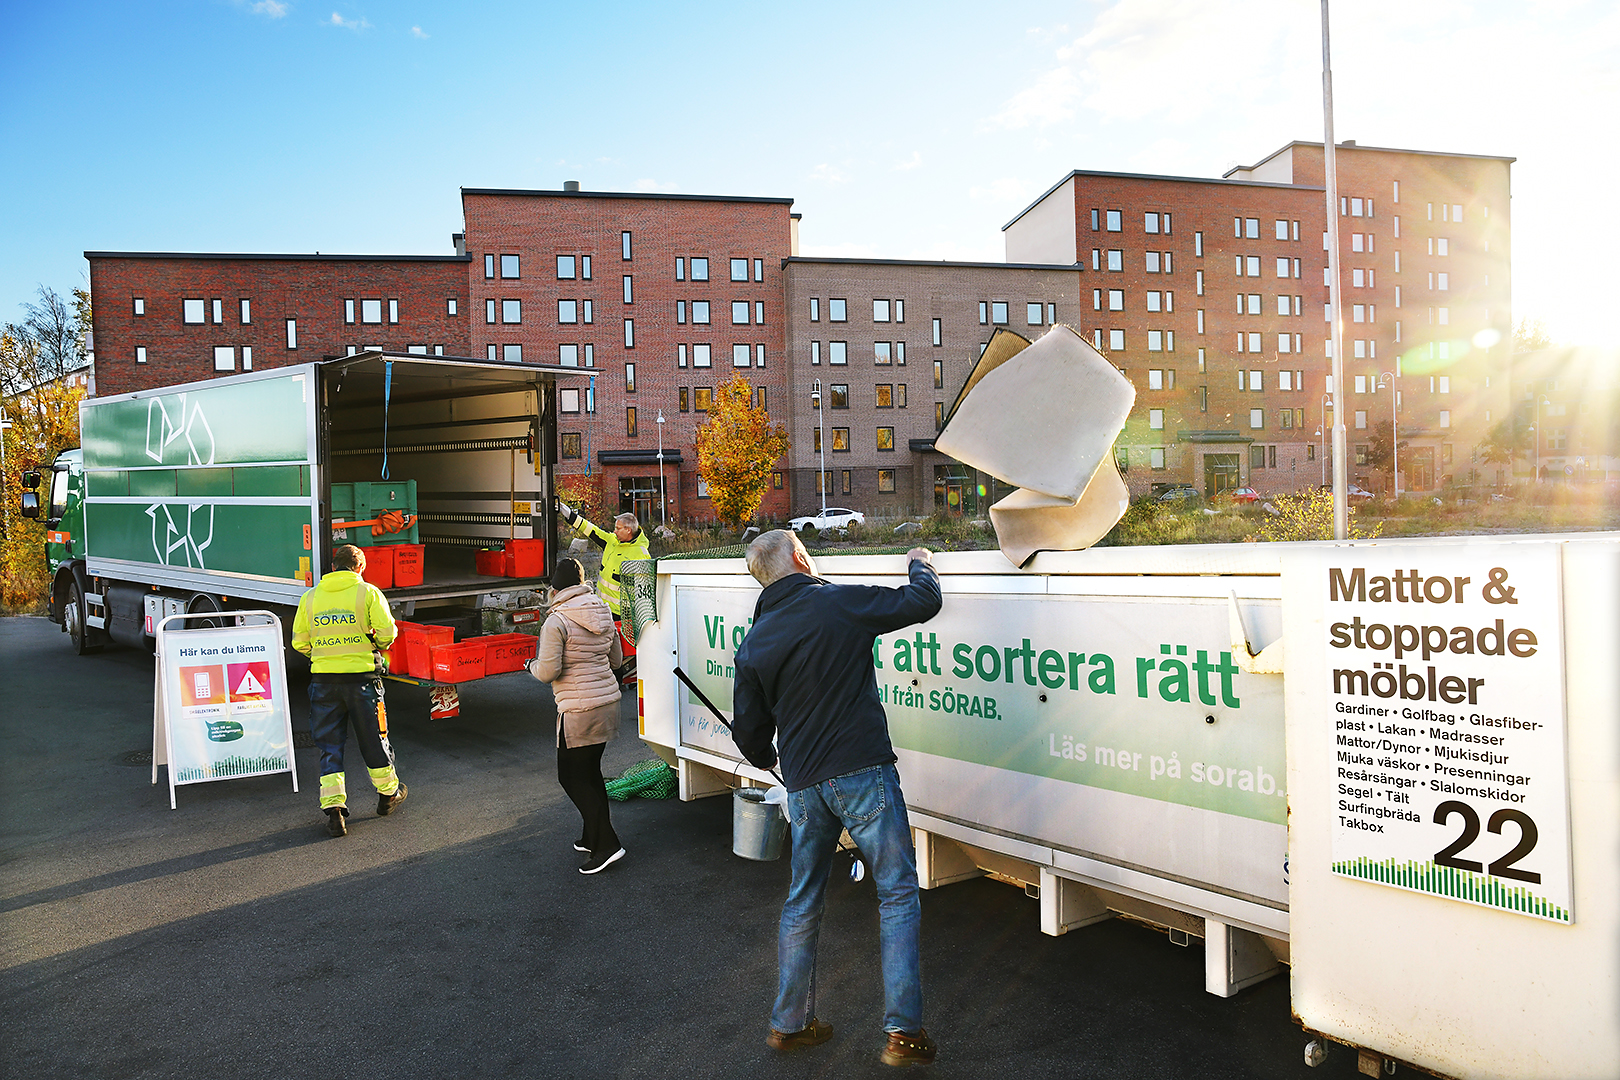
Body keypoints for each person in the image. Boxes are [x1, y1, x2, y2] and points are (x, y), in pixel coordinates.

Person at [731, 530, 942, 1068]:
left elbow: (750, 736)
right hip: (862, 772)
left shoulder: (754, 641)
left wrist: (764, 756)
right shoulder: (835, 601)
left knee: (803, 902)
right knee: (896, 894)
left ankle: (790, 1024)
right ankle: (903, 1033)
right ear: (801, 558)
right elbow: (923, 602)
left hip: (804, 786)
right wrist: (919, 562)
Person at [291, 544, 407, 838]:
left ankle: (335, 810)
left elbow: (299, 642)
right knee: (373, 739)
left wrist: (324, 655)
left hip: (324, 683)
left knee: (330, 746)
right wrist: (371, 644)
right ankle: (388, 794)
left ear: (332, 567)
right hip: (363, 681)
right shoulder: (368, 593)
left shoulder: (310, 597)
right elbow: (388, 634)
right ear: (360, 568)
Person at [526, 557, 626, 874]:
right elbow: (616, 659)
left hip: (579, 710)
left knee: (570, 776)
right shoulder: (602, 610)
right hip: (608, 704)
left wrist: (528, 666)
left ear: (555, 588)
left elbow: (548, 672)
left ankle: (608, 844)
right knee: (589, 772)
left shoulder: (556, 621)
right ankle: (590, 835)